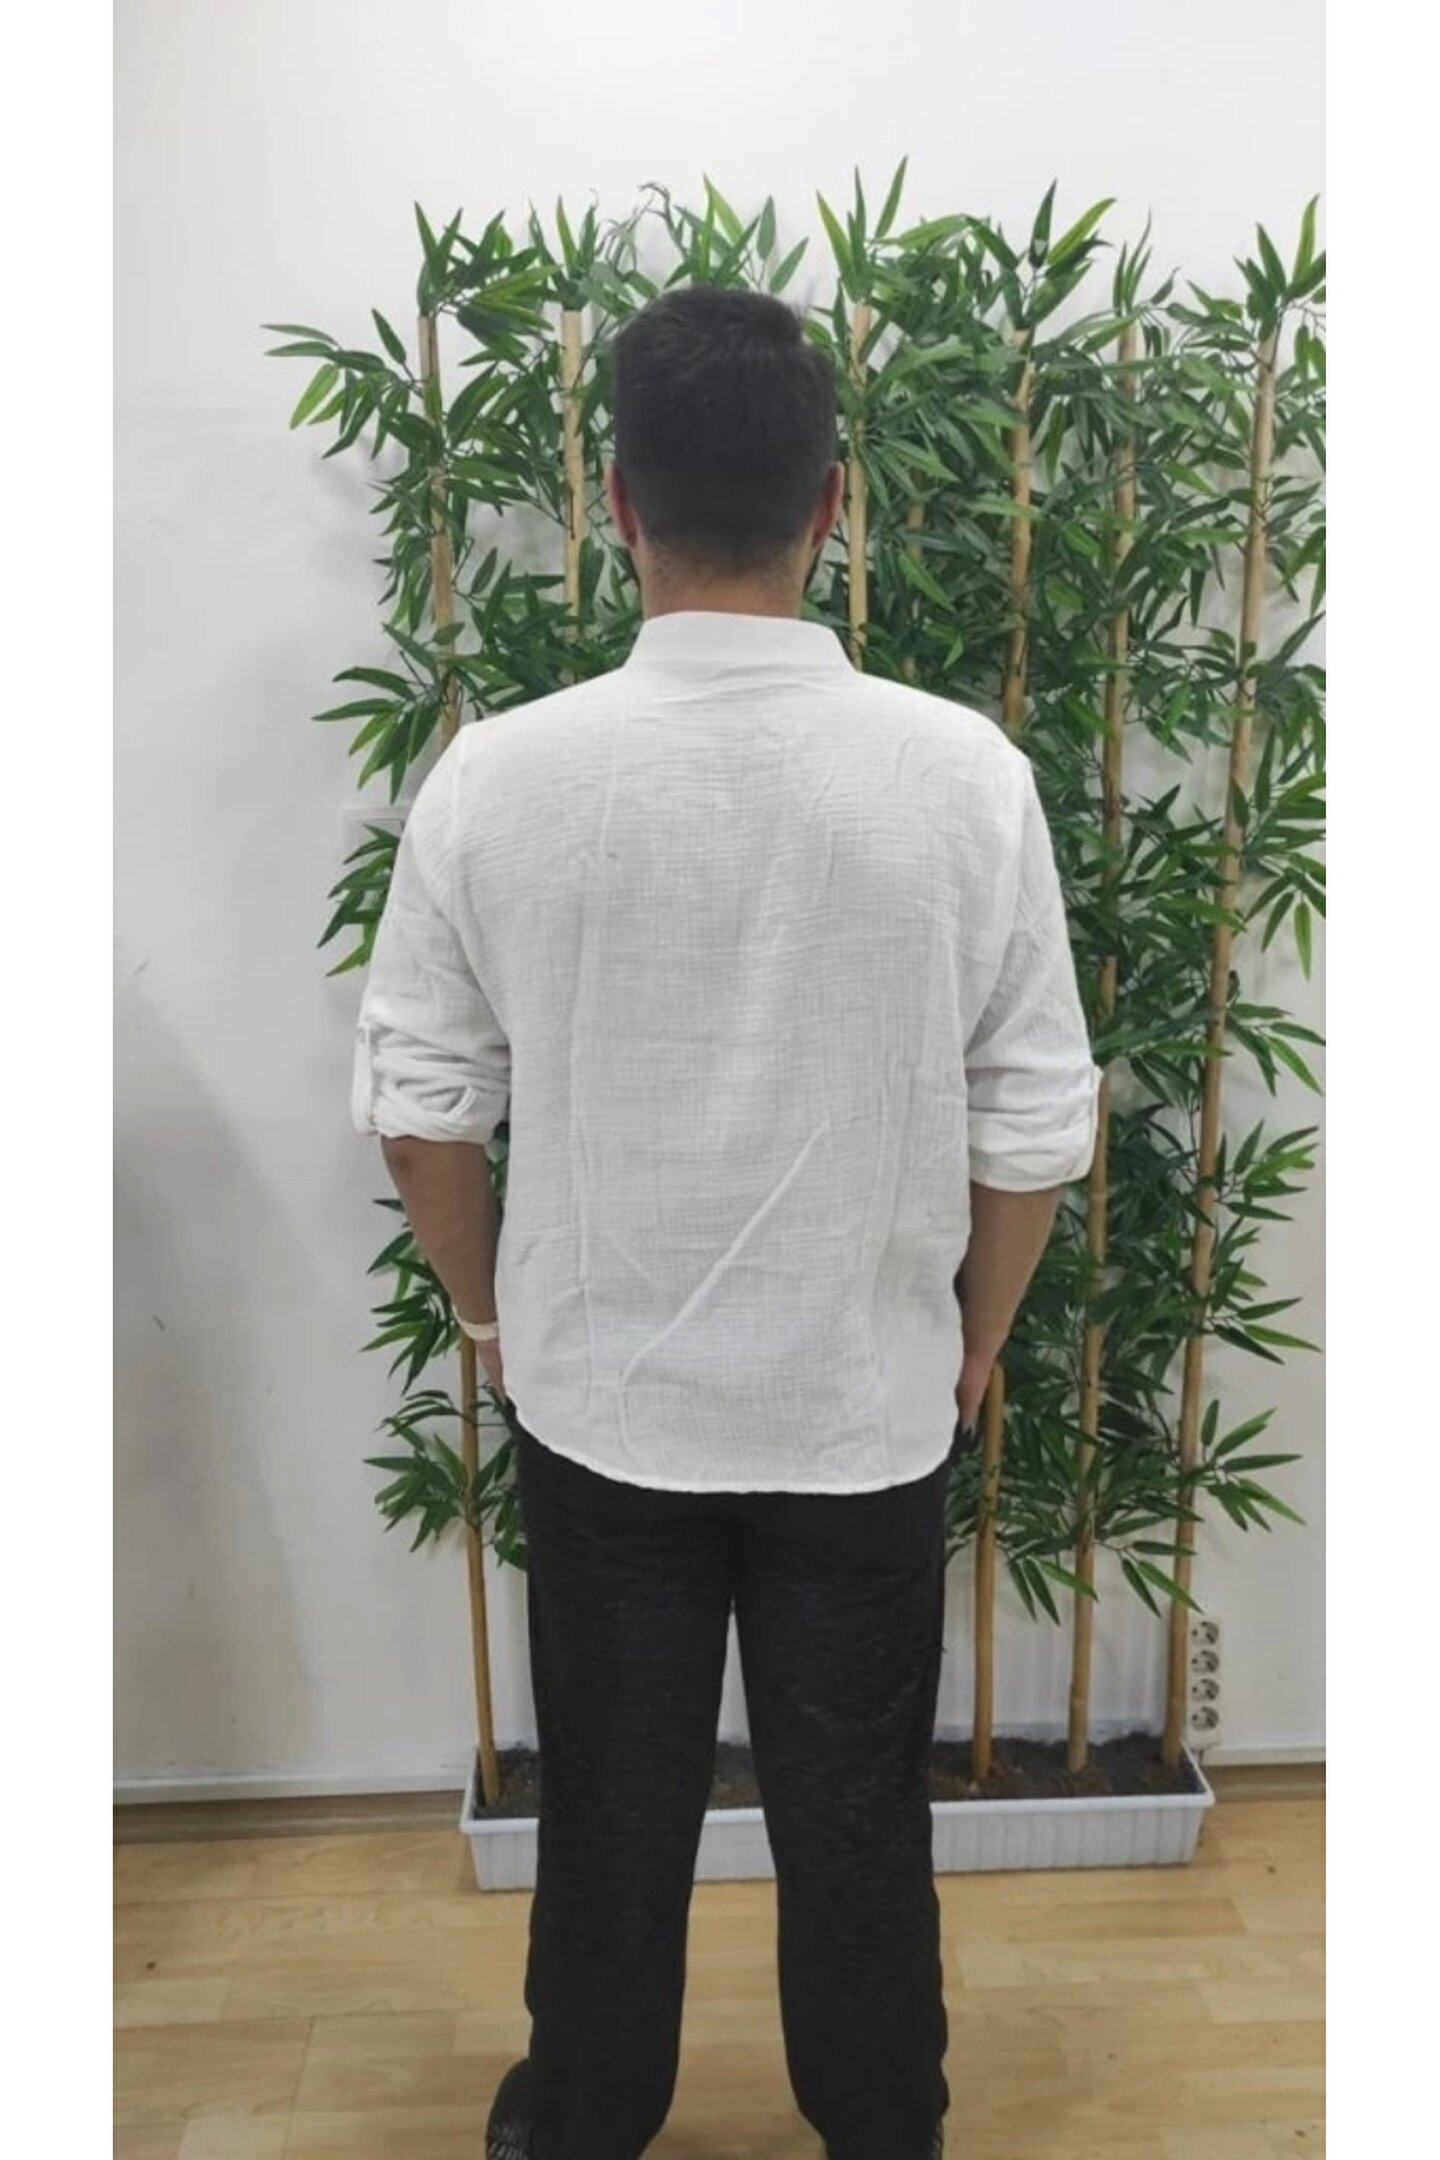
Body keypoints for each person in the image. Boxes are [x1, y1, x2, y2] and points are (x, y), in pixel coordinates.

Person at [352, 285, 1100, 2160]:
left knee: (609, 1813)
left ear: (617, 504)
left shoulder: (499, 775)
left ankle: (586, 2117)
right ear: (832, 501)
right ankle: (883, 2126)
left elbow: (423, 1110)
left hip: (604, 1401)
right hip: (862, 1407)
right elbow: (1034, 1119)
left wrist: (490, 1317)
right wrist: (976, 1337)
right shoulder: (964, 777)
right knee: (860, 1820)